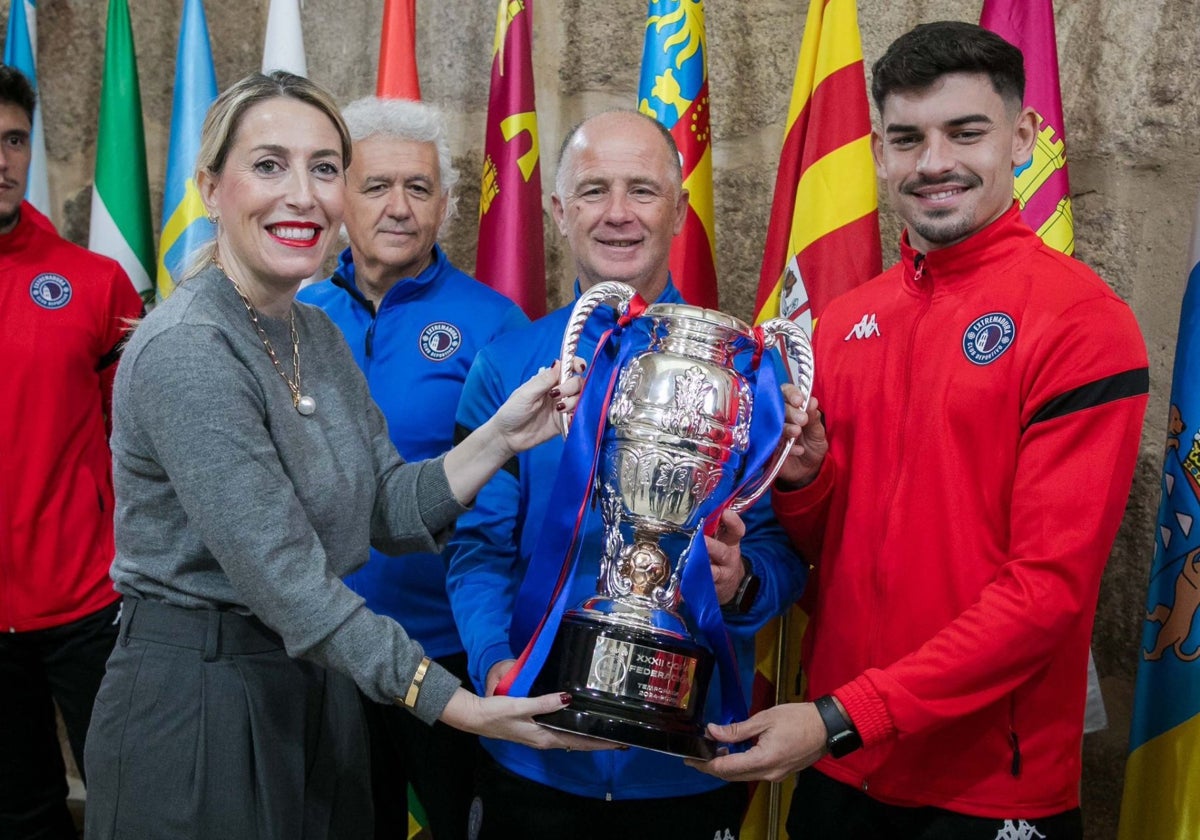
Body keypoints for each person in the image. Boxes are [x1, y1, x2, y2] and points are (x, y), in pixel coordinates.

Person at [82, 71, 604, 840]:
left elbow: (387, 505)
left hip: (310, 686)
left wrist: (502, 436)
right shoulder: (190, 347)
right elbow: (288, 579)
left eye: (324, 168)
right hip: (199, 695)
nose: (303, 194)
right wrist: (454, 704)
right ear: (211, 185)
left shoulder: (312, 334)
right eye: (269, 165)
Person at [689, 22, 1149, 840]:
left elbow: (1046, 593)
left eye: (965, 132)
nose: (933, 161)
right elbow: (834, 547)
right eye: (908, 138)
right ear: (879, 151)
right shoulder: (844, 321)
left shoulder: (1083, 324)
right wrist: (805, 481)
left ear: (1023, 138)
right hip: (840, 766)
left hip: (984, 785)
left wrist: (841, 714)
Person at [445, 109, 808, 840]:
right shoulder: (509, 366)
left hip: (684, 767)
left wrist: (741, 583)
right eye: (592, 190)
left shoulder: (742, 372)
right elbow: (478, 549)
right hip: (535, 754)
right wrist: (495, 669)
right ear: (557, 211)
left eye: (642, 190)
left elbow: (782, 558)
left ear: (679, 210)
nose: (617, 214)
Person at [297, 96, 527, 840]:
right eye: (376, 185)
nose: (399, 207)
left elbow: (515, 501)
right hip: (324, 648)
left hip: (447, 651)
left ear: (446, 206)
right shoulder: (294, 316)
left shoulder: (495, 323)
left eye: (419, 188)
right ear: (339, 199)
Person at [0, 64, 145, 840]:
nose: (2, 158)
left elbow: (136, 439)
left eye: (14, 139)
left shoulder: (92, 283)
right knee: (21, 812)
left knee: (129, 801)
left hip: (88, 601)